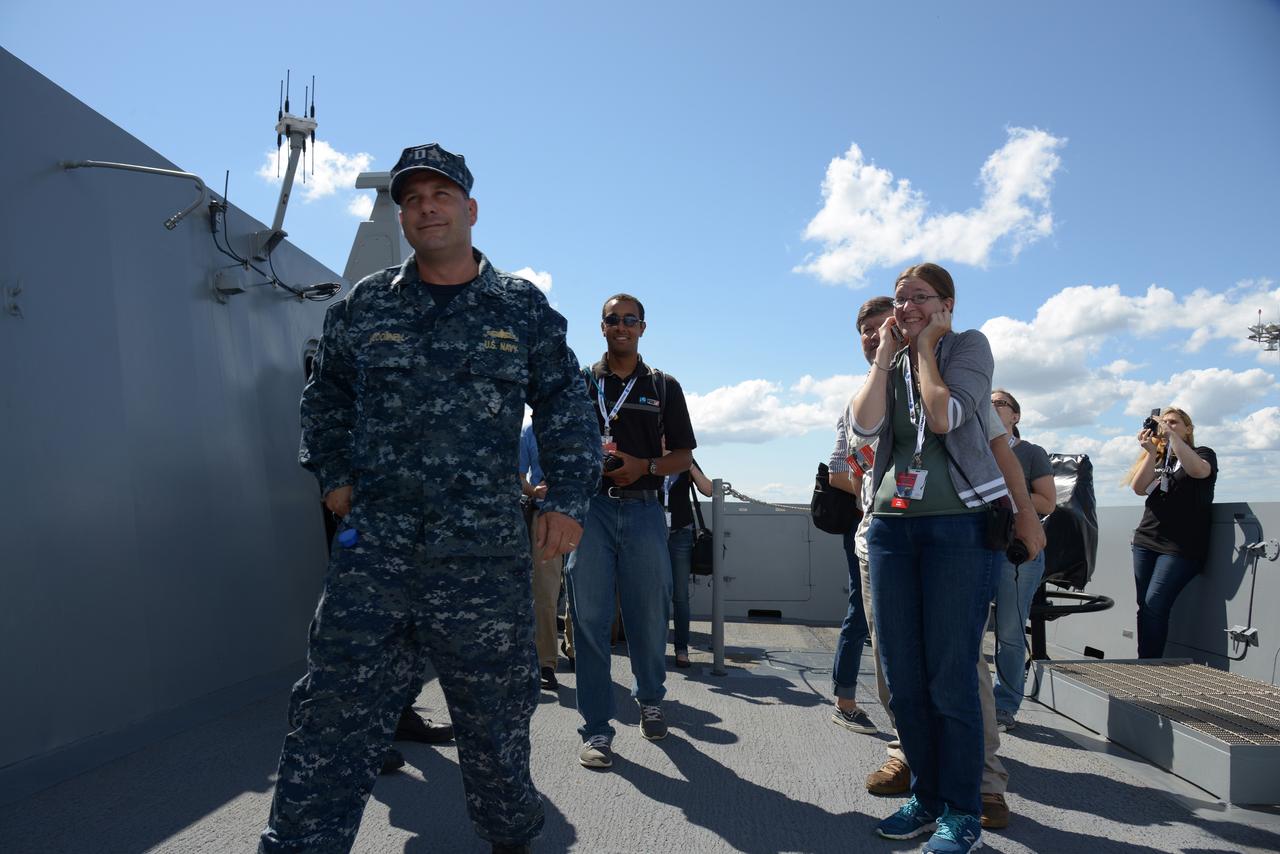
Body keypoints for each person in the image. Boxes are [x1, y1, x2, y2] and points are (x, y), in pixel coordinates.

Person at [260, 143, 600, 854]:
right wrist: (336, 478)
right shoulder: (366, 306)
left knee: (496, 725)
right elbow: (326, 399)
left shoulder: (519, 307)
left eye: (440, 196)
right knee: (331, 712)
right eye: (412, 199)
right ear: (404, 217)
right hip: (374, 557)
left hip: (480, 562)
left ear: (469, 210)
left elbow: (568, 402)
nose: (426, 208)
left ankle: (512, 839)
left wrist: (568, 498)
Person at [850, 262, 1040, 854]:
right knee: (903, 676)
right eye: (900, 300)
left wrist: (929, 345)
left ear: (947, 303)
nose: (904, 308)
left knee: (950, 674)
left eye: (918, 299)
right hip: (891, 530)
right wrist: (887, 355)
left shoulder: (967, 348)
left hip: (958, 530)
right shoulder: (894, 360)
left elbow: (944, 416)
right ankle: (927, 797)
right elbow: (862, 426)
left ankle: (964, 810)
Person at [567, 294, 697, 770]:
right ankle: (597, 729)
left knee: (647, 612)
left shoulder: (664, 386)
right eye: (612, 320)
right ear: (601, 327)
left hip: (644, 510)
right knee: (590, 620)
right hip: (591, 511)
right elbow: (558, 443)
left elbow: (682, 456)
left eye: (630, 320)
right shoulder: (578, 383)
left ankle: (651, 699)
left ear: (643, 328)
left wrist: (644, 465)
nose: (621, 326)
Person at [826, 297, 894, 736]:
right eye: (864, 331)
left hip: (925, 524)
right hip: (869, 523)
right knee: (862, 611)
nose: (872, 336)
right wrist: (874, 492)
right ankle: (845, 698)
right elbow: (837, 471)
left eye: (878, 326)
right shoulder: (857, 405)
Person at [988, 389, 1056, 732]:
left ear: (1015, 416)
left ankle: (1005, 705)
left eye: (1000, 403)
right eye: (988, 401)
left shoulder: (1031, 453)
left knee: (1011, 633)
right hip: (977, 548)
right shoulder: (973, 450)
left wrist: (1006, 488)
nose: (992, 405)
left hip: (1017, 554)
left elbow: (1047, 502)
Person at [1126, 406, 1217, 658]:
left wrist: (1173, 437)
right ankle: (1146, 661)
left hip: (1181, 546)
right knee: (1144, 606)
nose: (1167, 426)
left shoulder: (1203, 453)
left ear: (1188, 429)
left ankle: (1149, 664)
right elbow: (1139, 487)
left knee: (1154, 604)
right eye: (1164, 422)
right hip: (1147, 540)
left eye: (1174, 422)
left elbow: (1198, 471)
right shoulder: (1160, 457)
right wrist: (1151, 451)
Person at [520, 421, 569, 690]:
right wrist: (532, 490)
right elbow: (518, 475)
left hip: (587, 516)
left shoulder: (586, 423)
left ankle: (575, 650)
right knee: (546, 594)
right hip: (545, 516)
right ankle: (546, 663)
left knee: (583, 593)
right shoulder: (529, 432)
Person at [663, 448, 713, 667]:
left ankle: (681, 648)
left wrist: (689, 464)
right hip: (650, 532)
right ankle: (654, 646)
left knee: (680, 594)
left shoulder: (683, 460)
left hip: (680, 533)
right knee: (654, 594)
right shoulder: (647, 457)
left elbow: (708, 490)